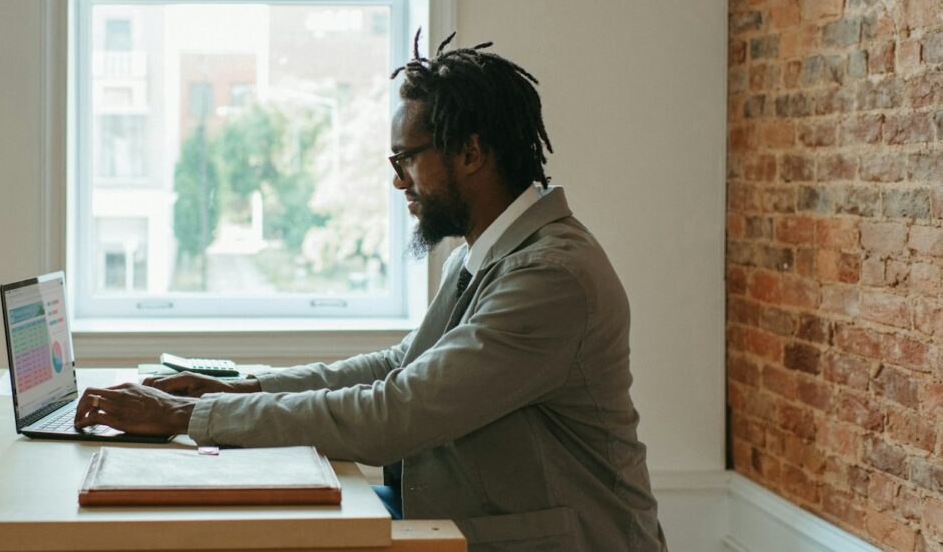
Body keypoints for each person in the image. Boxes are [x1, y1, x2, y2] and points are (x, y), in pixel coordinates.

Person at [75, 32, 667, 551]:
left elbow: (395, 411)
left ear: (471, 152)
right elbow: (397, 366)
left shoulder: (551, 279)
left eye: (407, 158)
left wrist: (192, 415)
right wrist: (240, 387)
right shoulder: (483, 255)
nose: (396, 179)